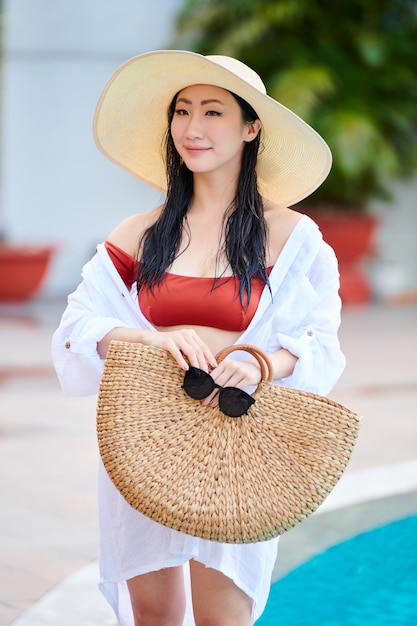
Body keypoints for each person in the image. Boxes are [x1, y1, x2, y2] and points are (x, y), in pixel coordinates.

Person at [52, 50, 346, 626]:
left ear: (251, 126)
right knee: (153, 620)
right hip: (143, 439)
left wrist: (263, 363)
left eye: (213, 112)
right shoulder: (137, 234)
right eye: (182, 110)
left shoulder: (293, 236)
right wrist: (148, 339)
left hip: (235, 445)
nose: (192, 128)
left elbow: (322, 341)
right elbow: (77, 328)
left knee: (223, 619)